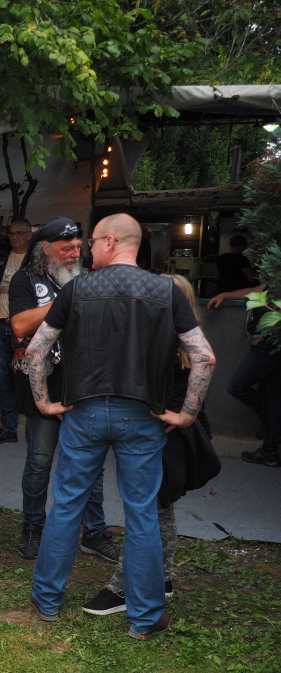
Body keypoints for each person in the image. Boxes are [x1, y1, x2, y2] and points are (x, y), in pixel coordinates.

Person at [26, 213, 215, 640]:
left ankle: (47, 601)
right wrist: (186, 414)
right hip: (142, 417)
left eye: (92, 241)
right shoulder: (167, 291)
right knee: (142, 514)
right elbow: (204, 357)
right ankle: (145, 618)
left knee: (67, 506)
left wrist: (43, 403)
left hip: (83, 413)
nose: (87, 249)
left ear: (110, 242)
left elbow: (36, 352)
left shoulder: (75, 290)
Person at [82, 275, 219, 616]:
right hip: (168, 441)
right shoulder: (180, 342)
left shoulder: (173, 346)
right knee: (160, 510)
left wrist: (173, 418)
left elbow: (179, 394)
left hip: (164, 442)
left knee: (146, 517)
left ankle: (122, 588)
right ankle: (163, 577)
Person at [8, 217, 116, 561]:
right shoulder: (26, 279)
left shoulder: (89, 278)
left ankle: (94, 532)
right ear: (45, 248)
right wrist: (68, 298)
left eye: (78, 247)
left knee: (91, 461)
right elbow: (19, 325)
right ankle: (32, 526)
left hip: (85, 383)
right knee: (40, 460)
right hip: (44, 384)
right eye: (66, 248)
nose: (75, 254)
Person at [207, 280, 279, 466]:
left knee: (237, 386)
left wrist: (265, 333)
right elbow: (254, 290)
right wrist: (225, 295)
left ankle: (269, 424)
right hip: (270, 347)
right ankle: (270, 450)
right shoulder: (274, 280)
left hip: (268, 346)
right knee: (272, 398)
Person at [0, 218, 31, 445]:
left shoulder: (34, 259)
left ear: (29, 235)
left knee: (28, 375)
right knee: (3, 376)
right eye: (11, 233)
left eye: (19, 233)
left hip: (23, 323)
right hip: (0, 321)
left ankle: (35, 428)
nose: (14, 237)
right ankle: (8, 428)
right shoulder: (1, 258)